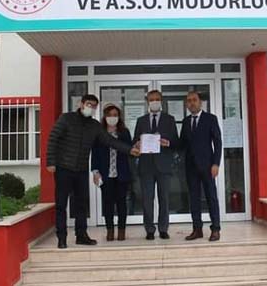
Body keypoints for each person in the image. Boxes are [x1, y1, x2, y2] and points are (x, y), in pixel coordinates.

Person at [46, 94, 140, 249]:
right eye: (89, 104)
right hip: (63, 168)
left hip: (81, 169)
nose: (91, 108)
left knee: (82, 204)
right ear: (81, 104)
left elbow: (110, 141)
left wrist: (130, 150)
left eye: (94, 106)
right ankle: (61, 238)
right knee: (61, 204)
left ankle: (81, 235)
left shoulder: (94, 126)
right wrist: (50, 162)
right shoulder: (66, 118)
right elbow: (53, 138)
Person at [133, 90, 179, 240]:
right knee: (147, 199)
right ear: (147, 102)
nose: (154, 102)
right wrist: (137, 144)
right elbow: (135, 140)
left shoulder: (169, 119)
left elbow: (176, 142)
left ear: (161, 101)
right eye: (151, 99)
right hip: (146, 165)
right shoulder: (141, 120)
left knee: (164, 198)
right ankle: (149, 230)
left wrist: (168, 143)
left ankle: (163, 229)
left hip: (164, 165)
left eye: (157, 99)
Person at [179, 90, 223, 242]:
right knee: (194, 198)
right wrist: (168, 143)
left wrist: (216, 163)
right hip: (191, 167)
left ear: (200, 102)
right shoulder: (185, 122)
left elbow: (217, 142)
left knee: (211, 197)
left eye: (194, 100)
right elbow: (182, 144)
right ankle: (197, 229)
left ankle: (215, 229)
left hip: (208, 165)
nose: (191, 103)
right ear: (186, 104)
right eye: (189, 100)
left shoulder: (210, 119)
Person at [91, 104, 132, 241]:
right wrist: (95, 172)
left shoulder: (124, 132)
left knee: (121, 203)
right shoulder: (99, 133)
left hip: (121, 173)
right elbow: (95, 153)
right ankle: (109, 230)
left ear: (119, 117)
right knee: (108, 203)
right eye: (109, 115)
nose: (112, 118)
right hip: (105, 174)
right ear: (105, 117)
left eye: (115, 115)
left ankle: (121, 231)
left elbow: (129, 150)